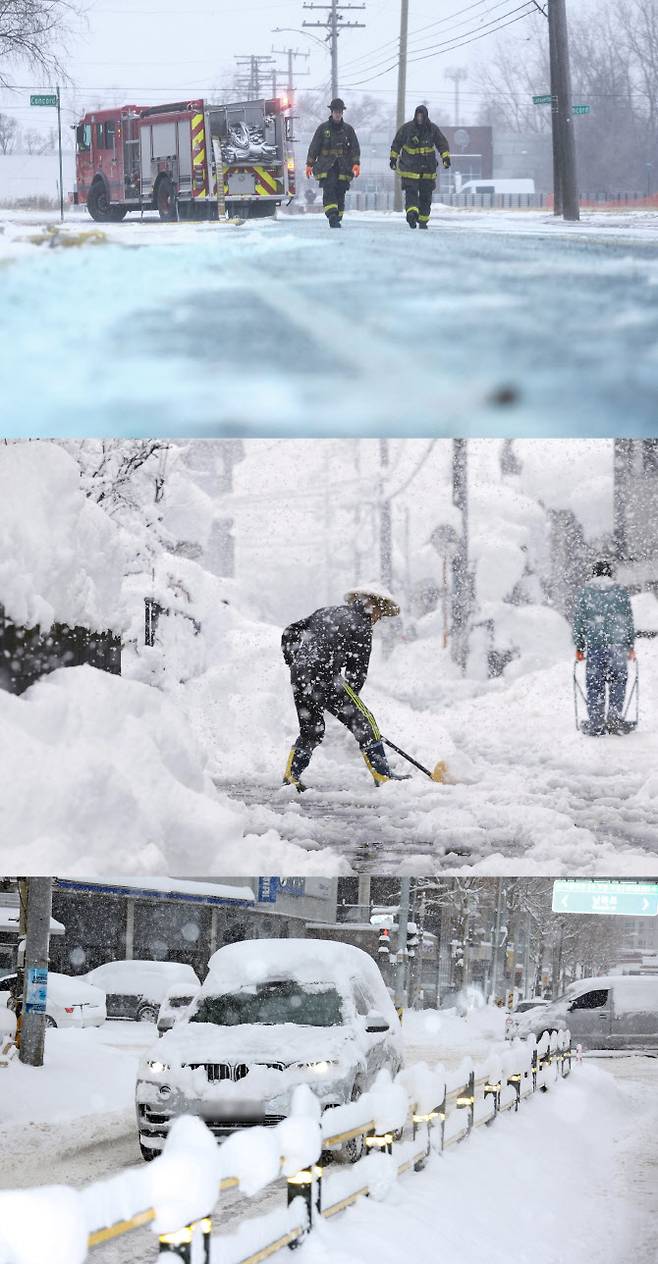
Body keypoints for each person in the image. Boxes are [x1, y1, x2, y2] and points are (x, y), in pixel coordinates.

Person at [281, 584, 410, 790]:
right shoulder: (362, 625)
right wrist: (349, 706)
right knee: (366, 723)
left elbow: (290, 631)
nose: (379, 619)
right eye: (380, 613)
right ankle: (383, 775)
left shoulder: (326, 612)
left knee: (312, 730)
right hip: (327, 677)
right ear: (373, 606)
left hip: (300, 677)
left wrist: (295, 662)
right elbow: (357, 672)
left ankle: (291, 774)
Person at [572, 559, 636, 736]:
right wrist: (630, 645)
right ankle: (615, 720)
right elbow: (628, 620)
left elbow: (579, 621)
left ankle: (596, 723)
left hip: (595, 646)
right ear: (610, 573)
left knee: (595, 685)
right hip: (617, 646)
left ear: (594, 573)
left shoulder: (586, 593)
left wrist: (579, 646)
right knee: (618, 683)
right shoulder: (620, 592)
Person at [389, 104, 451, 229]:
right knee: (411, 193)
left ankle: (423, 220)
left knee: (426, 196)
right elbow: (396, 144)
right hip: (409, 169)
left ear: (426, 116)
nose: (420, 118)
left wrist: (446, 157)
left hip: (427, 170)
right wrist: (393, 158)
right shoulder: (406, 129)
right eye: (418, 115)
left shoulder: (433, 129)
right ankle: (412, 215)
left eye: (422, 116)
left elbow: (442, 144)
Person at [305, 99, 361, 228]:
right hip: (327, 166)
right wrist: (309, 164)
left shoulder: (348, 130)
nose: (338, 114)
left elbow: (355, 148)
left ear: (342, 113)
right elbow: (314, 147)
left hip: (344, 167)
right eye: (336, 111)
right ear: (332, 112)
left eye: (340, 112)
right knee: (329, 188)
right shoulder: (323, 129)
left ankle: (338, 215)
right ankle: (332, 214)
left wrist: (356, 163)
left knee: (340, 191)